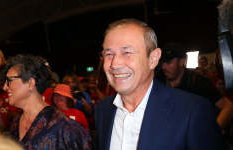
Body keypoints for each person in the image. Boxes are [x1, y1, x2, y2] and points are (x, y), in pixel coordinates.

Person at [95, 18, 225, 150]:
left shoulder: (192, 111)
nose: (115, 64)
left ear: (153, 59)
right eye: (109, 54)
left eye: (127, 52)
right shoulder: (103, 111)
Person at [2, 54, 91, 150]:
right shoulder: (16, 123)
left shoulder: (65, 128)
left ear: (30, 83)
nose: (4, 87)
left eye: (9, 80)